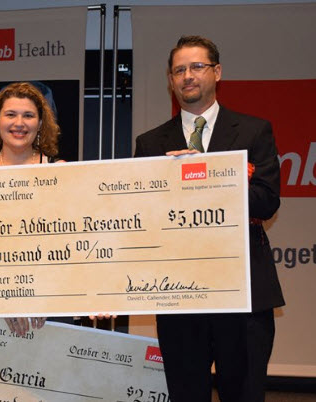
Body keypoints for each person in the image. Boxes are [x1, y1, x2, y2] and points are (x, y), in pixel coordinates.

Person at [134, 35, 283, 402]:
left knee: (244, 394)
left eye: (197, 66)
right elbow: (143, 215)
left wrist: (206, 177)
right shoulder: (150, 144)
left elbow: (266, 201)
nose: (188, 76)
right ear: (170, 80)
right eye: (179, 69)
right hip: (179, 295)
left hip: (243, 293)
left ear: (216, 72)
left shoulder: (253, 130)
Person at [0, 82, 63, 335]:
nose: (19, 123)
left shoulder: (63, 172)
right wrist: (1, 301)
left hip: (49, 305)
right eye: (10, 114)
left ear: (41, 124)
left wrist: (48, 297)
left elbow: (72, 243)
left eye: (29, 115)